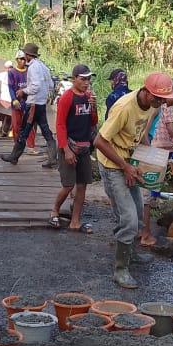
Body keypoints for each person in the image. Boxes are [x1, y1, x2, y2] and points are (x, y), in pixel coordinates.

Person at [93, 72, 173, 289]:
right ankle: (120, 269)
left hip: (129, 161)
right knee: (128, 219)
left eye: (162, 100)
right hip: (113, 165)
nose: (160, 103)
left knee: (138, 211)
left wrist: (146, 158)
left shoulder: (151, 105)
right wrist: (125, 167)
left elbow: (142, 134)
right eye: (157, 99)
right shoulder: (124, 107)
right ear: (146, 92)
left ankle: (130, 253)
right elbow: (99, 141)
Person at [137, 77, 173, 246]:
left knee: (143, 194)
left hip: (149, 149)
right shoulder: (157, 106)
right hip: (150, 150)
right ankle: (145, 234)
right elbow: (143, 132)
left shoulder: (158, 105)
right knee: (146, 195)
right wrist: (149, 153)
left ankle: (139, 231)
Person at [50, 64, 98, 233]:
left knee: (82, 185)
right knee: (68, 185)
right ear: (74, 79)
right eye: (83, 79)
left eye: (88, 79)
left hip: (84, 146)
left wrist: (94, 107)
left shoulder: (88, 96)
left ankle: (75, 221)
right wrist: (66, 149)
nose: (86, 82)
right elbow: (60, 125)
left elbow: (92, 122)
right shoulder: (67, 98)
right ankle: (55, 210)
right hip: (69, 146)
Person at [0, 42, 56, 169]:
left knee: (23, 130)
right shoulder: (43, 66)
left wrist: (23, 91)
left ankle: (14, 156)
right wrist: (46, 95)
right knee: (45, 131)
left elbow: (35, 87)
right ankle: (53, 158)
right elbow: (51, 85)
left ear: (27, 55)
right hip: (40, 103)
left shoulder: (33, 68)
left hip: (33, 104)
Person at [7, 50, 37, 151]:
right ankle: (17, 146)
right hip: (16, 102)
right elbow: (10, 87)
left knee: (29, 124)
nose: (23, 61)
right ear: (17, 60)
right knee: (16, 125)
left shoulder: (29, 71)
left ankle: (31, 146)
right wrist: (14, 100)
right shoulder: (12, 72)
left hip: (28, 101)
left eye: (24, 59)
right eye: (21, 59)